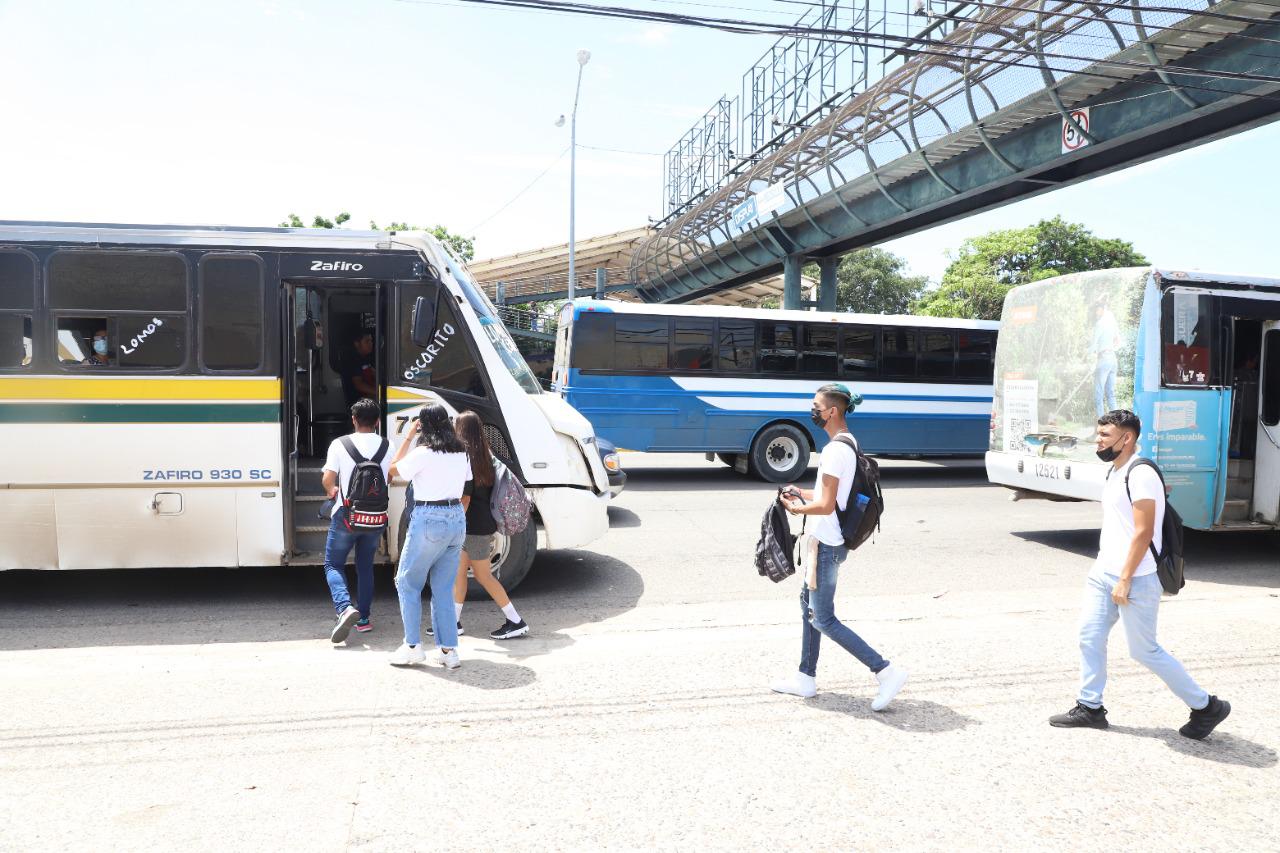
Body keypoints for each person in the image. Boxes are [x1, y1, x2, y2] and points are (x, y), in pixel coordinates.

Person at [1049, 409, 1231, 739]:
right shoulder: (1116, 471)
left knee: (1144, 650)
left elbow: (1143, 532)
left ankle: (1207, 706)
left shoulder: (1141, 473)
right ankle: (1090, 707)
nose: (1098, 440)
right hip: (1103, 571)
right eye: (1099, 433)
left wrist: (1124, 578)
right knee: (1089, 637)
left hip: (1136, 577)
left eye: (1105, 435)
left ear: (1127, 438)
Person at [771, 382, 908, 711]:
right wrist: (800, 493)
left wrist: (795, 508)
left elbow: (827, 504)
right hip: (831, 540)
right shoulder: (847, 442)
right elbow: (830, 495)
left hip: (827, 544)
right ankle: (805, 677)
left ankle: (886, 671)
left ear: (832, 411)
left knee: (824, 619)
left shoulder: (834, 451)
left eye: (816, 405)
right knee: (807, 606)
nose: (813, 410)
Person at [387, 403, 472, 669]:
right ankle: (448, 652)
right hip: (456, 517)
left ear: (423, 425)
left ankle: (412, 646)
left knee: (407, 582)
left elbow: (393, 470)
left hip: (429, 517)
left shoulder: (423, 452)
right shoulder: (461, 452)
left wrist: (409, 436)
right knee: (443, 588)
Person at [451, 411, 529, 640]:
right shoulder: (487, 455)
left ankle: (515, 620)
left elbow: (465, 497)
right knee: (459, 574)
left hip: (473, 527)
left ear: (461, 430)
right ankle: (452, 623)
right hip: (480, 523)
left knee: (483, 576)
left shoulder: (465, 458)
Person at [320, 398, 390, 643]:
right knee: (365, 566)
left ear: (353, 419)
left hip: (346, 515)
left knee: (333, 564)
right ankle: (364, 619)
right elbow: (386, 479)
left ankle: (344, 607)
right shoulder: (387, 445)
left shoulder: (340, 444)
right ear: (378, 421)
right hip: (375, 517)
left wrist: (332, 492)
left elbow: (328, 479)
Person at [1090, 294, 1120, 417]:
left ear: (1101, 309)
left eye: (1096, 310)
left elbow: (1093, 345)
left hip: (1103, 359)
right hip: (1113, 359)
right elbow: (1117, 340)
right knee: (1110, 394)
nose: (1095, 313)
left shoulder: (1100, 323)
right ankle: (1118, 424)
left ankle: (1101, 425)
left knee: (1098, 394)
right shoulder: (1111, 320)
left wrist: (1086, 353)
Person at [341, 330, 377, 408]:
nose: (371, 344)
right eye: (367, 341)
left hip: (369, 397)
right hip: (359, 403)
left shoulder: (365, 359)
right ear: (357, 344)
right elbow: (359, 385)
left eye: (371, 341)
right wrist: (379, 392)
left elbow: (374, 373)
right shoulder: (353, 361)